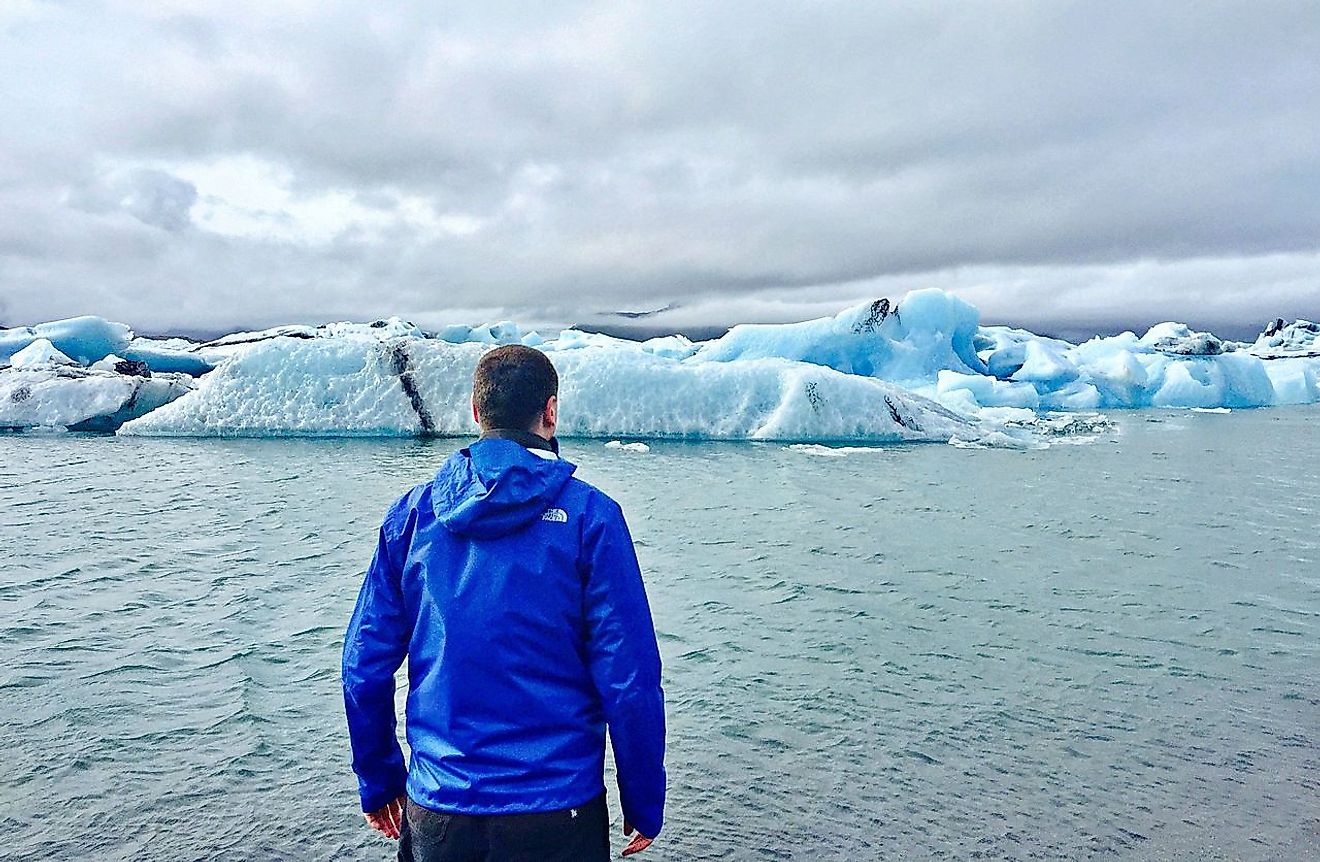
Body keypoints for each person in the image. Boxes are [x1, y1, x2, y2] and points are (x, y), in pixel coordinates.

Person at [342, 345, 666, 861]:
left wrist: (379, 779)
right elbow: (629, 678)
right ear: (550, 410)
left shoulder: (413, 516)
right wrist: (643, 798)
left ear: (476, 413)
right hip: (559, 808)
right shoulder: (592, 519)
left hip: (441, 806)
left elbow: (363, 665)